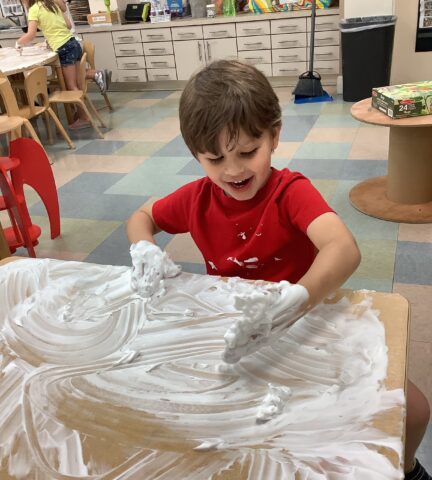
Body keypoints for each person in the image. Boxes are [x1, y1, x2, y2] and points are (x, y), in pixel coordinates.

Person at [127, 60, 431, 480]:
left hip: (306, 322)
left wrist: (298, 299)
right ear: (195, 154)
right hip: (238, 335)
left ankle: (409, 469)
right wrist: (143, 249)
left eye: (248, 152)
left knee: (413, 411)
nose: (233, 171)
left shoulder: (289, 193)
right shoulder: (196, 199)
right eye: (214, 159)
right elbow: (142, 216)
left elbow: (344, 248)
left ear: (274, 135)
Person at [16, 0, 109, 129]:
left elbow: (30, 35)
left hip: (64, 48)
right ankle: (83, 111)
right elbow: (68, 25)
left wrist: (18, 43)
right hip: (73, 43)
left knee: (71, 86)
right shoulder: (51, 4)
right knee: (77, 81)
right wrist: (53, 35)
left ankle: (85, 118)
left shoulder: (33, 10)